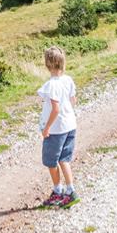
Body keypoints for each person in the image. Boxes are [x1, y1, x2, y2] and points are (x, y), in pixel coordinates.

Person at [37, 46, 79, 208]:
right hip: (70, 125)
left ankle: (57, 190)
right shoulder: (67, 80)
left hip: (56, 129)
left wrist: (47, 127)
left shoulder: (51, 85)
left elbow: (55, 109)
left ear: (47, 64)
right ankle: (70, 190)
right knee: (64, 159)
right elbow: (73, 100)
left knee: (51, 161)